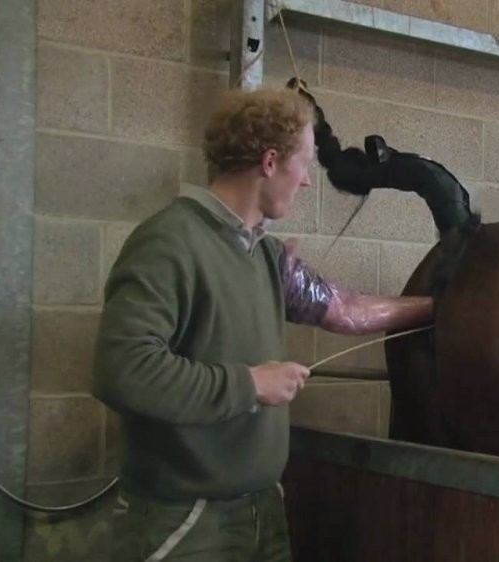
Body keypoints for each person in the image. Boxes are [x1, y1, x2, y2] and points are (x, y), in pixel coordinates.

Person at [91, 87, 433, 561]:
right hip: (186, 521)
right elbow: (123, 371)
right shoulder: (169, 243)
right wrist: (250, 384)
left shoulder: (264, 255)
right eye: (306, 163)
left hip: (260, 510)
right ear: (270, 162)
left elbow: (342, 308)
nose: (309, 181)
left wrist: (440, 306)